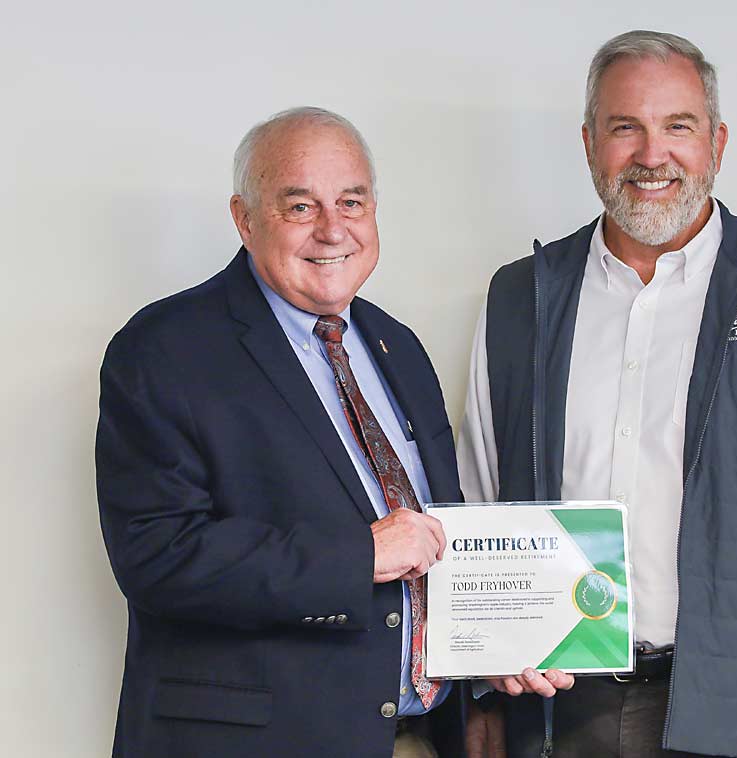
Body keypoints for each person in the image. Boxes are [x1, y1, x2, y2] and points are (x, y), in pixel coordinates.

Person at [458, 31, 737, 758]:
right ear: (588, 142)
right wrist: (477, 682)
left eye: (678, 127)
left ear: (717, 142)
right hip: (558, 711)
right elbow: (479, 500)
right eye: (624, 127)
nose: (651, 155)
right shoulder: (521, 298)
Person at [96, 107, 465, 758]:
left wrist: (501, 648)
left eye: (351, 201)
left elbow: (439, 538)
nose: (332, 230)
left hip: (410, 738)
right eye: (300, 206)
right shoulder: (164, 349)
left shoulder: (397, 346)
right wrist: (359, 555)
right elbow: (158, 555)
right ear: (244, 218)